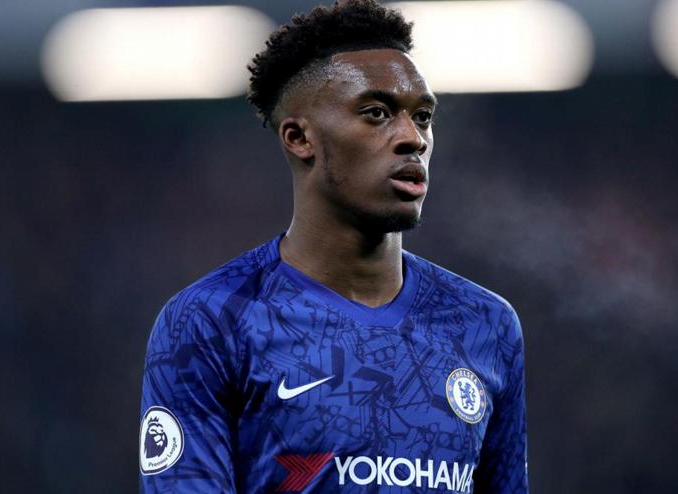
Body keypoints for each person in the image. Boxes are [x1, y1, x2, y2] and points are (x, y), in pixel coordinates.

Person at [138, 0, 528, 492]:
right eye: (377, 113)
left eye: (423, 116)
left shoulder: (484, 323)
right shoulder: (212, 321)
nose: (414, 138)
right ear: (300, 138)